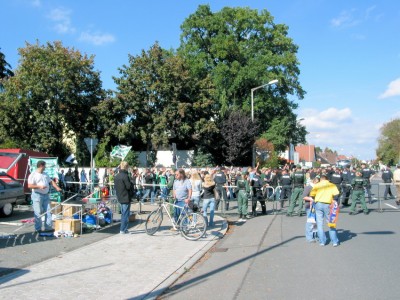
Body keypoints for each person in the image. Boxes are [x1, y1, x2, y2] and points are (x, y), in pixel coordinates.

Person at [28, 160, 62, 232]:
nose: (45, 167)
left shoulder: (45, 174)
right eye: (44, 166)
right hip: (37, 195)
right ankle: (38, 229)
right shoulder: (33, 175)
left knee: (48, 211)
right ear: (41, 166)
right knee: (38, 212)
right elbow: (29, 185)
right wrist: (39, 187)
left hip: (46, 195)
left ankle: (48, 227)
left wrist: (57, 187)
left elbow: (51, 181)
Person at [309, 175, 340, 247]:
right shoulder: (332, 185)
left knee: (319, 224)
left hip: (318, 204)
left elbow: (312, 194)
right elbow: (336, 195)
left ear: (321, 180)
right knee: (331, 223)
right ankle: (334, 241)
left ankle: (322, 242)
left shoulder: (317, 185)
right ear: (327, 179)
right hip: (328, 204)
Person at [114, 161, 134, 234]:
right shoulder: (125, 176)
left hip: (119, 196)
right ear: (126, 167)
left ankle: (123, 229)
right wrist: (131, 182)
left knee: (123, 213)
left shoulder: (117, 176)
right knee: (125, 214)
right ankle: (123, 229)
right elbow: (128, 186)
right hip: (126, 196)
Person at [303, 176, 320, 243]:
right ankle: (309, 237)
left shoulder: (317, 188)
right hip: (309, 206)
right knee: (310, 222)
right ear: (315, 182)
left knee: (315, 222)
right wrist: (311, 199)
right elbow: (304, 197)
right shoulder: (308, 187)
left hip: (317, 206)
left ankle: (315, 235)